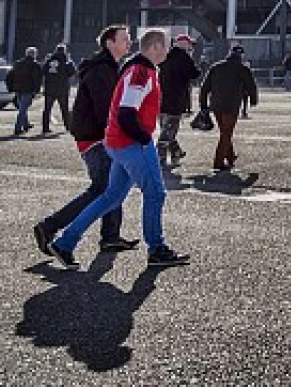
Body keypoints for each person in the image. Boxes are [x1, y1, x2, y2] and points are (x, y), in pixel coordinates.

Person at [46, 28, 190, 269]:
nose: (168, 50)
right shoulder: (141, 72)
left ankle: (65, 243)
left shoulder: (135, 69)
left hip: (117, 143)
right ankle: (157, 249)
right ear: (154, 47)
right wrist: (144, 140)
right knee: (155, 194)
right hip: (130, 144)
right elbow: (126, 112)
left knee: (110, 197)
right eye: (166, 46)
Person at [34, 26, 137, 258]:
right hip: (95, 137)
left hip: (100, 135)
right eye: (124, 39)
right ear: (109, 43)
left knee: (113, 186)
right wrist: (121, 134)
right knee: (102, 189)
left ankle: (110, 236)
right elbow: (105, 108)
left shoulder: (110, 67)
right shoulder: (102, 69)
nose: (129, 43)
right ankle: (49, 226)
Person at [200, 44, 258, 172]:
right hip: (231, 105)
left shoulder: (215, 67)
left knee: (224, 131)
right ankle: (218, 162)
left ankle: (230, 156)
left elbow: (204, 88)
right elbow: (251, 86)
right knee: (226, 133)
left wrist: (203, 106)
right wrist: (253, 100)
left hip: (216, 105)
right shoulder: (243, 69)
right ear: (241, 55)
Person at [157, 34, 201, 166]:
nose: (190, 47)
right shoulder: (183, 57)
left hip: (160, 99)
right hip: (175, 100)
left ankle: (176, 152)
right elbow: (194, 74)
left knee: (166, 128)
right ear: (183, 44)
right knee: (169, 130)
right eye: (189, 44)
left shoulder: (163, 56)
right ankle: (160, 157)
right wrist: (193, 61)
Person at [5, 47, 44, 135]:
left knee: (22, 107)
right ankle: (17, 128)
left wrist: (10, 87)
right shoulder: (35, 65)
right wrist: (37, 90)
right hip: (28, 89)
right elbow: (37, 79)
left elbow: (9, 75)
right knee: (23, 108)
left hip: (18, 88)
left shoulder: (18, 63)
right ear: (34, 54)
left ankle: (26, 124)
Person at [40, 44, 76, 135]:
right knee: (64, 108)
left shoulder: (49, 61)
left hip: (50, 87)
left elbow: (43, 71)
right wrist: (70, 60)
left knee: (47, 109)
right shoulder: (65, 60)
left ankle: (45, 127)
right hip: (62, 88)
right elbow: (72, 72)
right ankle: (67, 126)